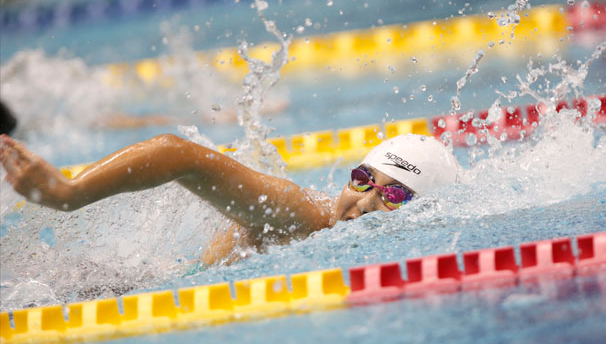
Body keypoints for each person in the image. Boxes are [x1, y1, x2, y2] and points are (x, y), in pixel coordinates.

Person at [0, 132, 461, 265]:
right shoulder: (305, 215)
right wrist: (68, 193)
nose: (363, 203)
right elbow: (178, 153)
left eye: (394, 195)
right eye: (363, 180)